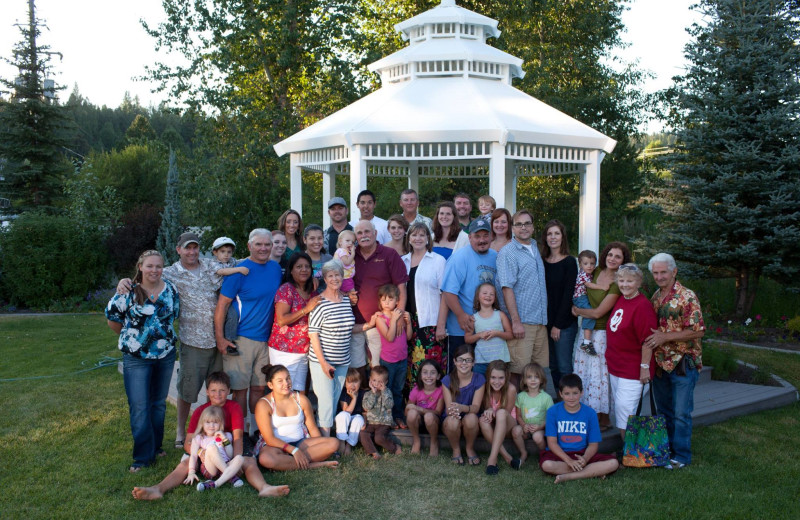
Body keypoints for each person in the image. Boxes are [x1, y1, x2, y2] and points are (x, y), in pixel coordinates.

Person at [132, 371, 290, 500]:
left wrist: (235, 458)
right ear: (207, 392)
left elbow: (238, 437)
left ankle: (264, 488)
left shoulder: (234, 407)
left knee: (248, 461)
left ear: (228, 391)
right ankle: (158, 489)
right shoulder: (201, 411)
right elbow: (189, 441)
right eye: (213, 391)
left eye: (222, 390)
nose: (218, 394)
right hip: (205, 446)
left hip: (230, 445)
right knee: (184, 464)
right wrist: (201, 452)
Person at [107, 249, 179, 472]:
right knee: (139, 406)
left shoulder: (171, 290)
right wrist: (134, 339)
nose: (154, 270)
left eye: (158, 266)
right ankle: (142, 458)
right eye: (150, 266)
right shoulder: (128, 290)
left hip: (165, 356)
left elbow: (173, 316)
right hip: (136, 358)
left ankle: (155, 446)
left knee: (158, 404)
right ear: (140, 267)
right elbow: (113, 319)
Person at [214, 229, 282, 425]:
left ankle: (257, 431)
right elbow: (222, 306)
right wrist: (220, 338)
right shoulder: (239, 271)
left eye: (267, 245)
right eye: (258, 244)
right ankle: (240, 433)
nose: (263, 248)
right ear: (249, 246)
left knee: (260, 388)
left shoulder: (275, 269)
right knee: (240, 390)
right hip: (241, 339)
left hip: (266, 340)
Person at [646, 253, 705, 468]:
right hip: (661, 364)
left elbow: (698, 331)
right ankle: (666, 451)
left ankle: (681, 456)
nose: (659, 276)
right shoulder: (655, 297)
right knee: (665, 411)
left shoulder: (687, 296)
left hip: (683, 363)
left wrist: (665, 337)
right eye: (655, 273)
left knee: (681, 413)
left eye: (663, 272)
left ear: (674, 271)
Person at [571, 241, 629, 429]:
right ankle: (585, 414)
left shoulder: (617, 283)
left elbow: (598, 313)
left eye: (618, 256)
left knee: (600, 376)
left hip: (603, 334)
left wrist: (577, 311)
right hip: (586, 332)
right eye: (610, 254)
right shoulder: (594, 272)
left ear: (623, 261)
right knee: (585, 374)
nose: (612, 259)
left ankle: (602, 418)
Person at [308, 260, 368, 436]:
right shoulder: (319, 303)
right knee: (326, 401)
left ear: (343, 276)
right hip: (323, 362)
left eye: (337, 275)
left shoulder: (345, 301)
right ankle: (326, 442)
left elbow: (350, 328)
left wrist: (370, 324)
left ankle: (328, 438)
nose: (335, 278)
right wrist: (323, 363)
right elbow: (313, 334)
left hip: (342, 361)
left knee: (333, 400)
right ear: (325, 279)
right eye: (330, 276)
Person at [496, 209, 548, 390]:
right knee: (517, 374)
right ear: (512, 228)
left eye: (527, 223)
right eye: (519, 224)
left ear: (533, 227)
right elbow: (506, 287)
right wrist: (515, 322)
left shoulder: (534, 247)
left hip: (540, 321)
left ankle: (534, 415)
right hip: (522, 323)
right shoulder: (508, 252)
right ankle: (512, 416)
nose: (523, 227)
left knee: (537, 373)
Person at [351, 220, 408, 378]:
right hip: (355, 322)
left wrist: (399, 316)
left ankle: (380, 400)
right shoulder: (350, 256)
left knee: (378, 367)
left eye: (367, 232)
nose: (364, 236)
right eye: (360, 233)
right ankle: (361, 399)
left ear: (375, 233)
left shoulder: (389, 254)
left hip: (381, 323)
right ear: (356, 237)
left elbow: (401, 287)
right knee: (357, 366)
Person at [254, 364, 340, 470]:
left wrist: (319, 445)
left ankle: (287, 463)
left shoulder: (301, 399)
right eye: (280, 381)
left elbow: (312, 428)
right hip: (275, 446)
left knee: (333, 443)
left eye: (288, 378)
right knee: (265, 459)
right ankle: (313, 465)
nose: (286, 383)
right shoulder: (263, 404)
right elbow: (269, 439)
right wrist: (293, 450)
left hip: (301, 443)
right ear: (270, 385)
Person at [606, 264, 657, 439]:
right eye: (621, 280)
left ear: (639, 282)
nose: (625, 284)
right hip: (617, 366)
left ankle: (631, 452)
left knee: (626, 412)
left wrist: (644, 367)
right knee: (622, 412)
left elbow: (648, 341)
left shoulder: (642, 306)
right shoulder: (622, 299)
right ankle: (628, 450)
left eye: (630, 281)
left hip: (633, 370)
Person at [441, 217, 497, 372]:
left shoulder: (496, 256)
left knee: (485, 374)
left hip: (487, 328)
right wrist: (460, 315)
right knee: (459, 373)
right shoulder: (459, 257)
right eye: (477, 236)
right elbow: (448, 292)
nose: (482, 240)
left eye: (485, 236)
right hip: (462, 329)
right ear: (470, 237)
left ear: (491, 236)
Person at [539, 373, 619, 483]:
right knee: (547, 465)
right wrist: (568, 460)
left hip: (582, 454)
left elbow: (593, 444)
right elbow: (552, 443)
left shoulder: (590, 413)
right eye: (567, 394)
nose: (571, 398)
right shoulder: (553, 412)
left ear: (581, 393)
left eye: (575, 393)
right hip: (561, 455)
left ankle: (569, 476)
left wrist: (585, 459)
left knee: (613, 463)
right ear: (560, 394)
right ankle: (591, 472)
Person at [267, 252, 322, 393]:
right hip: (284, 350)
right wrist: (306, 309)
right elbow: (281, 320)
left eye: (307, 266)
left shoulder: (312, 292)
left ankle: (297, 416)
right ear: (291, 270)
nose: (304, 269)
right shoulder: (286, 289)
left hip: (303, 350)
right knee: (283, 391)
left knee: (300, 391)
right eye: (299, 267)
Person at [402, 222, 448, 387]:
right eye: (414, 235)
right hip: (407, 322)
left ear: (428, 238)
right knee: (409, 366)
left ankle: (432, 407)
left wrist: (441, 325)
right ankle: (412, 405)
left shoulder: (438, 261)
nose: (418, 238)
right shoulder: (403, 261)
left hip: (430, 323)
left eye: (422, 235)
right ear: (409, 238)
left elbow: (445, 295)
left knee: (430, 368)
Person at [540, 219, 579, 391]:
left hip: (563, 324)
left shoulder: (570, 262)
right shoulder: (541, 261)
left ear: (563, 237)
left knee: (564, 366)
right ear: (545, 238)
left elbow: (568, 295)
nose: (553, 237)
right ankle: (560, 400)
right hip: (545, 323)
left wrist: (557, 325)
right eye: (549, 234)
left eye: (557, 233)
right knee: (553, 366)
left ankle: (570, 401)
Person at [375, 283, 413, 429]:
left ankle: (398, 416)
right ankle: (386, 417)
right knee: (387, 390)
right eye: (383, 300)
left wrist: (408, 323)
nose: (386, 303)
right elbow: (390, 337)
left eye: (390, 299)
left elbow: (408, 337)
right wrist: (395, 320)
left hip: (402, 359)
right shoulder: (380, 318)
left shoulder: (401, 315)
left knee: (398, 390)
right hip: (388, 361)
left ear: (397, 301)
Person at [442, 344, 485, 466]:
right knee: (452, 421)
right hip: (451, 419)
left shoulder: (479, 379)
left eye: (468, 360)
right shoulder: (447, 380)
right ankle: (456, 450)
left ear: (473, 362)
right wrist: (456, 411)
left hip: (470, 418)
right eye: (460, 359)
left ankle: (469, 448)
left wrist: (461, 408)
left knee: (471, 418)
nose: (464, 363)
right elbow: (449, 409)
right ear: (455, 361)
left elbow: (476, 407)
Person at [184, 405, 244, 491]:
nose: (211, 425)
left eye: (215, 422)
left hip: (226, 462)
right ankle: (231, 476)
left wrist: (224, 439)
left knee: (239, 458)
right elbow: (193, 456)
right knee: (212, 447)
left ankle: (215, 484)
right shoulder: (199, 438)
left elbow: (230, 455)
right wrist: (191, 472)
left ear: (220, 423)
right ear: (202, 423)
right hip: (211, 469)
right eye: (208, 422)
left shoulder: (227, 435)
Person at [479, 360, 518, 475]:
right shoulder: (486, 388)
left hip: (508, 425)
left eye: (501, 378)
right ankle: (508, 457)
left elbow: (506, 413)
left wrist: (493, 411)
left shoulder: (511, 389)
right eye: (493, 377)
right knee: (482, 420)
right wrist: (489, 409)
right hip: (495, 425)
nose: (496, 382)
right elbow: (487, 407)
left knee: (501, 412)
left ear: (507, 377)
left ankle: (492, 459)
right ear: (488, 377)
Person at [465, 282, 512, 375]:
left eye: (492, 294)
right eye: (485, 293)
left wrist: (497, 333)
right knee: (481, 387)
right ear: (478, 296)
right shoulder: (473, 318)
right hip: (481, 362)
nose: (488, 296)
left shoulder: (500, 315)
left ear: (495, 298)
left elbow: (510, 334)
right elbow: (467, 339)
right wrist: (479, 335)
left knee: (499, 388)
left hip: (500, 361)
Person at [511, 362, 554, 468]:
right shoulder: (521, 396)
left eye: (536, 377)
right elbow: (518, 416)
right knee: (515, 431)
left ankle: (544, 454)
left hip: (540, 428)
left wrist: (539, 427)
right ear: (524, 380)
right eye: (529, 377)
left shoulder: (546, 398)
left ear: (542, 379)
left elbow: (550, 418)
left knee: (537, 437)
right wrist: (523, 425)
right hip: (525, 428)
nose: (533, 380)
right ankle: (523, 453)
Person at [360, 365, 403, 459]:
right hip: (371, 422)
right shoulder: (368, 394)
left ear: (386, 382)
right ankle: (374, 452)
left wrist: (384, 392)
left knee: (378, 438)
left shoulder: (388, 392)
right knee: (363, 433)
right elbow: (366, 406)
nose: (376, 384)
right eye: (374, 380)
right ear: (370, 380)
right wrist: (374, 394)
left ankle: (395, 447)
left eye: (380, 382)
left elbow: (389, 405)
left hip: (384, 422)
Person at [405, 360, 444, 456]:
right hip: (419, 422)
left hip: (434, 422)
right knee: (411, 413)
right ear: (420, 375)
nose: (429, 376)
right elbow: (407, 411)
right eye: (425, 372)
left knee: (429, 416)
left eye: (433, 373)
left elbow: (438, 412)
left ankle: (434, 442)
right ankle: (416, 440)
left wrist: (420, 409)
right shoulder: (416, 389)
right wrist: (412, 409)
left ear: (438, 376)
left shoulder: (441, 390)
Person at [573, 250, 601, 355]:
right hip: (580, 297)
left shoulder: (590, 273)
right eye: (585, 264)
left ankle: (586, 340)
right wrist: (601, 287)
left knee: (589, 313)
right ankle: (586, 342)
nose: (589, 266)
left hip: (583, 297)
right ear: (580, 264)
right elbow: (589, 285)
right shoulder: (583, 274)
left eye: (592, 263)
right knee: (590, 314)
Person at [334, 368, 366, 455]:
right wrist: (354, 398)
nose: (353, 385)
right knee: (343, 415)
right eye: (349, 382)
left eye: (355, 382)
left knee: (358, 420)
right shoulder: (343, 393)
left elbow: (365, 411)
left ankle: (349, 445)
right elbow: (347, 412)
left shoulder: (363, 393)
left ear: (360, 382)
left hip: (357, 416)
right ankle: (341, 441)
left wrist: (365, 421)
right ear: (344, 384)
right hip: (345, 417)